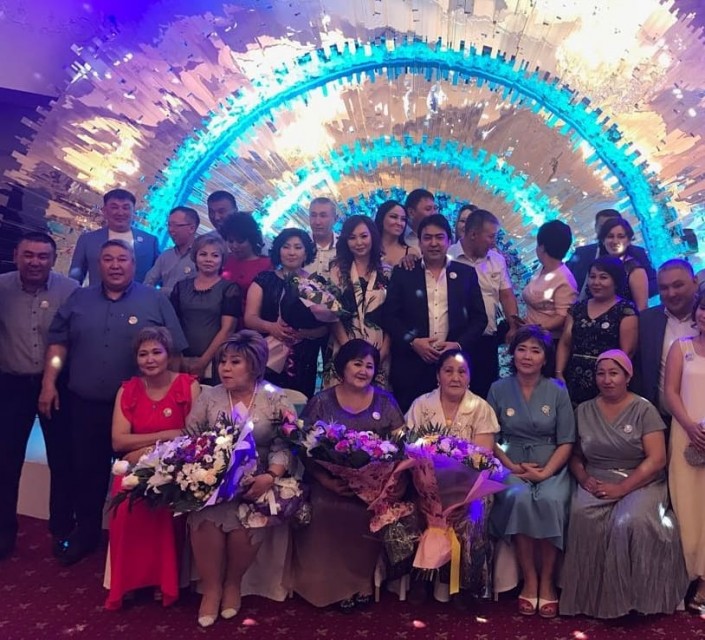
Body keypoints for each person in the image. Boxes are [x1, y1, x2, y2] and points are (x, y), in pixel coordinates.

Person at [39, 239, 188, 566]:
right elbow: (58, 345)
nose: (116, 265)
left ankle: (143, 547)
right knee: (86, 471)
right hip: (86, 404)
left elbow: (174, 353)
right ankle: (86, 534)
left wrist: (173, 399)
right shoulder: (79, 298)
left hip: (140, 410)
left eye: (123, 259)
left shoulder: (155, 300)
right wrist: (49, 381)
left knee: (143, 474)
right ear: (99, 264)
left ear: (134, 264)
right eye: (108, 259)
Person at [560, 350, 688, 618]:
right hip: (597, 477)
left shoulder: (644, 409)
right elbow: (575, 456)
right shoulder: (583, 411)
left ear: (627, 377)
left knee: (629, 521)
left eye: (614, 373)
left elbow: (657, 459)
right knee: (582, 515)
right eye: (601, 373)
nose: (607, 380)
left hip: (641, 480)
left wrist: (622, 488)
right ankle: (590, 601)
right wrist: (583, 478)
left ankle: (637, 602)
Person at [184, 331, 297, 627]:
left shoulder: (274, 397)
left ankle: (233, 584)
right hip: (213, 480)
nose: (225, 368)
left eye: (235, 362)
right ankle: (211, 589)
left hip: (258, 479)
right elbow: (191, 438)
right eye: (223, 362)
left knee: (247, 519)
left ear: (255, 365)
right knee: (207, 516)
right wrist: (207, 474)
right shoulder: (210, 396)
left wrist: (270, 476)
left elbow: (286, 443)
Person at [292, 340, 405, 610]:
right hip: (328, 483)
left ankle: (361, 580)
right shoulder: (321, 402)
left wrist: (382, 484)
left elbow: (401, 446)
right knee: (326, 507)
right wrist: (325, 480)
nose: (363, 371)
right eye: (357, 363)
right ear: (342, 366)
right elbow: (303, 448)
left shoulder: (385, 401)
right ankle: (332, 583)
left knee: (367, 512)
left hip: (373, 487)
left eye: (369, 366)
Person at [105, 327, 200, 610]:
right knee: (125, 505)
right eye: (143, 354)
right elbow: (118, 440)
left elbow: (193, 436)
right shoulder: (128, 389)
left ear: (168, 354)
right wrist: (166, 435)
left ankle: (163, 580)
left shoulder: (187, 385)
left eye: (156, 352)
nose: (150, 359)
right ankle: (128, 581)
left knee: (163, 504)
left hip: (176, 466)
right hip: (135, 466)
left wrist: (146, 447)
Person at [487, 325, 575, 619]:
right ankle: (530, 579)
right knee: (519, 497)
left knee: (551, 500)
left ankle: (548, 580)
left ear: (545, 357)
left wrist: (546, 472)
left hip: (552, 465)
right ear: (512, 354)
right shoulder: (498, 388)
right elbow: (489, 436)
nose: (527, 356)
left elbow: (567, 441)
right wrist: (510, 466)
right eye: (521, 349)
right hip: (509, 463)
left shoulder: (557, 390)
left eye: (535, 350)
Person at [0, 232, 78, 560]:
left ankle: (62, 532)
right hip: (11, 386)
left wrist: (51, 381)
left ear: (54, 259)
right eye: (29, 255)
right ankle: (4, 535)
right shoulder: (1, 288)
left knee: (63, 460)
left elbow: (70, 340)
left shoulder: (70, 290)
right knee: (5, 462)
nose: (35, 262)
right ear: (16, 256)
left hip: (57, 385)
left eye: (43, 256)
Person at [406, 349, 499, 601]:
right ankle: (423, 576)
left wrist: (459, 494)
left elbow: (482, 459)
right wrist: (430, 486)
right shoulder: (421, 405)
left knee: (477, 508)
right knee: (414, 504)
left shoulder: (481, 408)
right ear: (438, 375)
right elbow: (410, 450)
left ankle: (466, 584)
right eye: (448, 371)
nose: (455, 377)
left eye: (462, 372)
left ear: (469, 377)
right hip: (426, 483)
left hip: (469, 487)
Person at [384, 214, 487, 412]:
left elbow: (479, 319)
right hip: (411, 365)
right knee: (411, 422)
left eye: (439, 237)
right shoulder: (404, 272)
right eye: (427, 237)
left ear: (449, 240)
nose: (433, 243)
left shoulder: (466, 274)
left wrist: (457, 345)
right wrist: (413, 342)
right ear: (419, 242)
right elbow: (390, 316)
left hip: (454, 367)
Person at [244, 228, 327, 398]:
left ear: (306, 253)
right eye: (286, 247)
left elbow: (326, 327)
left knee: (298, 404)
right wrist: (272, 327)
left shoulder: (315, 283)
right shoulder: (264, 279)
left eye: (298, 247)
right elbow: (250, 318)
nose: (292, 252)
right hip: (267, 355)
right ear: (278, 250)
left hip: (304, 359)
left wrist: (303, 334)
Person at [448, 209, 521, 398]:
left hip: (486, 338)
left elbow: (506, 295)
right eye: (490, 236)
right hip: (455, 339)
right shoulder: (448, 257)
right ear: (473, 234)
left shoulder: (497, 260)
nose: (493, 242)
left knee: (485, 394)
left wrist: (513, 325)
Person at [664, 290, 705, 613]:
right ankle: (684, 575)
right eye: (704, 308)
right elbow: (671, 392)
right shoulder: (681, 347)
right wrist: (691, 427)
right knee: (686, 505)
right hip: (684, 434)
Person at [555, 256, 638, 405]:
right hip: (573, 378)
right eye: (592, 277)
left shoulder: (625, 310)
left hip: (607, 382)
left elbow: (627, 353)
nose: (596, 282)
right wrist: (559, 373)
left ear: (616, 281)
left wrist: (610, 379)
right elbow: (565, 343)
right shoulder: (577, 308)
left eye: (603, 277)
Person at [323, 215, 392, 388]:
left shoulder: (387, 271)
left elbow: (394, 315)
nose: (359, 242)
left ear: (373, 237)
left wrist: (383, 351)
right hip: (343, 344)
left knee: (375, 399)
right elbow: (332, 314)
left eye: (364, 236)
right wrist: (348, 350)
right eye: (352, 238)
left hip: (378, 349)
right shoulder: (337, 270)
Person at [170, 234, 241, 383]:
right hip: (179, 360)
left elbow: (227, 330)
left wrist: (202, 362)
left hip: (216, 361)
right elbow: (172, 326)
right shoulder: (180, 287)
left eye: (215, 255)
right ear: (195, 257)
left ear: (222, 259)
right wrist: (180, 359)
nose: (208, 259)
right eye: (203, 254)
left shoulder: (230, 289)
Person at [636, 259, 699, 418]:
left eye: (678, 285)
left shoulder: (702, 319)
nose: (671, 293)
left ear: (695, 282)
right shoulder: (646, 321)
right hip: (660, 421)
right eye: (664, 288)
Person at [69, 189, 159, 285]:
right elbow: (75, 278)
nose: (120, 213)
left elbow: (161, 276)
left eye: (126, 208)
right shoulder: (87, 240)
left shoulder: (150, 242)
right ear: (104, 211)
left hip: (139, 294)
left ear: (134, 211)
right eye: (114, 207)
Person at [567, 208, 657, 299]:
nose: (615, 241)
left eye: (620, 235)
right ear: (596, 228)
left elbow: (654, 282)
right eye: (605, 228)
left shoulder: (637, 254)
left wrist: (631, 292)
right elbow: (566, 279)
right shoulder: (582, 253)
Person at [521, 220, 577, 358]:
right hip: (530, 336)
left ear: (542, 247)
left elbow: (563, 316)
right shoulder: (542, 268)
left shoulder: (564, 279)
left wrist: (535, 328)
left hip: (548, 343)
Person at [595, 217, 649, 311]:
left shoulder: (635, 270)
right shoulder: (597, 266)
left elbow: (642, 308)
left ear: (628, 241)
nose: (615, 241)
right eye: (610, 236)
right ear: (603, 240)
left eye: (621, 236)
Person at [143, 206, 199, 296]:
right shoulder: (166, 255)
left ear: (192, 228)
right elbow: (147, 284)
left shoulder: (202, 257)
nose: (170, 230)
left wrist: (163, 291)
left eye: (175, 225)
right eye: (169, 225)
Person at [221, 212, 272, 305]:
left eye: (240, 241)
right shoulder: (225, 260)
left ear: (252, 239)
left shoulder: (267, 265)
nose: (234, 246)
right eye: (231, 241)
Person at [374, 200, 420, 267]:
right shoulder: (369, 250)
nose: (399, 223)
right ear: (381, 218)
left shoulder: (412, 253)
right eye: (394, 217)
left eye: (403, 219)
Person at [306, 197, 338, 278]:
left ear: (335, 219)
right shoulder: (300, 245)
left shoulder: (343, 246)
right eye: (313, 215)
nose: (317, 222)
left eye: (323, 216)